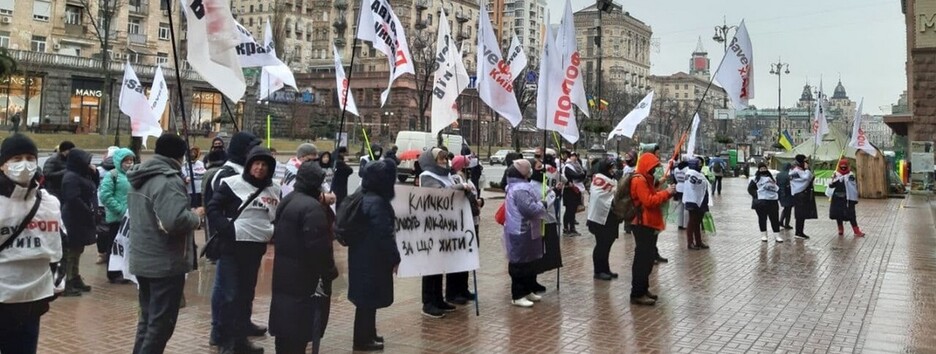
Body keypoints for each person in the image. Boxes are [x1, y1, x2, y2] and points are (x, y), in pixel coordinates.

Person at [127, 133, 204, 354]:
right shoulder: (168, 181)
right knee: (160, 325)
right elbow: (174, 221)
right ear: (180, 156)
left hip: (144, 258)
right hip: (164, 263)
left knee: (148, 320)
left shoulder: (142, 176)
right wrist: (196, 216)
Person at [208, 146, 282, 354]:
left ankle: (241, 340)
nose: (260, 168)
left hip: (255, 248)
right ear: (249, 165)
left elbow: (277, 214)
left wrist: (272, 231)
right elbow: (213, 208)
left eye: (264, 165)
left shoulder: (274, 190)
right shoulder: (232, 184)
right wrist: (226, 228)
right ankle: (226, 342)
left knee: (245, 295)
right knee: (230, 295)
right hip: (232, 247)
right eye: (256, 163)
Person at [0, 134, 63, 354]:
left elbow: (58, 244)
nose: (24, 164)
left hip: (32, 302)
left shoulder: (49, 202)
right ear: (3, 165)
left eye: (29, 157)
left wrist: (57, 280)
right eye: (16, 158)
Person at [269, 161, 337, 354]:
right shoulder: (312, 208)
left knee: (285, 331)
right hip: (306, 279)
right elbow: (319, 249)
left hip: (285, 275)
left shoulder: (289, 199)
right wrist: (330, 271)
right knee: (299, 331)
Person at [205, 132, 263, 346]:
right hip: (230, 241)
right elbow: (217, 208)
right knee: (226, 289)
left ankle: (242, 323)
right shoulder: (226, 174)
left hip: (249, 242)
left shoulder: (248, 171)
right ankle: (218, 329)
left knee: (245, 287)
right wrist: (226, 229)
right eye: (251, 148)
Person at [348, 159, 401, 351]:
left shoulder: (364, 195)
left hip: (362, 256)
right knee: (367, 302)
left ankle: (368, 333)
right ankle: (363, 339)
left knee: (366, 301)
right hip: (372, 259)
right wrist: (395, 258)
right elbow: (384, 234)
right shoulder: (377, 202)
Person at [417, 148, 471, 318]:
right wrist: (459, 187)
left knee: (440, 265)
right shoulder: (427, 176)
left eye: (444, 158)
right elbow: (439, 194)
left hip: (446, 225)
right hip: (432, 227)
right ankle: (428, 302)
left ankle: (438, 299)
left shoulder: (446, 175)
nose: (443, 161)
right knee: (431, 266)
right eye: (439, 158)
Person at [628, 152, 675, 306]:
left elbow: (652, 194)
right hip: (642, 223)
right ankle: (637, 292)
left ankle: (643, 288)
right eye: (653, 168)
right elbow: (648, 201)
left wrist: (662, 190)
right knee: (643, 259)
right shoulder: (639, 180)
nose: (655, 171)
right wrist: (666, 193)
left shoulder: (645, 179)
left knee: (647, 259)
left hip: (648, 223)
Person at [502, 159, 547, 307]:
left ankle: (527, 290)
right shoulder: (520, 188)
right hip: (520, 230)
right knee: (519, 263)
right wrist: (543, 204)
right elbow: (529, 209)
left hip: (526, 230)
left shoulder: (518, 186)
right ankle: (518, 294)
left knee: (528, 261)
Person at [60, 148, 98, 297]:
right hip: (73, 219)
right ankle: (67, 281)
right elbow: (72, 198)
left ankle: (75, 277)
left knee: (78, 250)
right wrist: (88, 211)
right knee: (71, 252)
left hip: (81, 218)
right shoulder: (71, 177)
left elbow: (94, 187)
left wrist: (94, 174)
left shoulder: (82, 174)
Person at [97, 148, 136, 283]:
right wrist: (120, 210)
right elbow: (105, 195)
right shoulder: (112, 175)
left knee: (127, 245)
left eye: (131, 160)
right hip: (117, 217)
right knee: (115, 245)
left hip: (130, 217)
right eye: (126, 160)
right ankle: (113, 273)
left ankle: (125, 271)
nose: (129, 163)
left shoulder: (133, 175)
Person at [448, 155, 482, 305]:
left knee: (468, 256)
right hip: (460, 223)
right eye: (466, 165)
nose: (469, 168)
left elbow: (474, 197)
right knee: (458, 259)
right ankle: (453, 292)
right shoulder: (455, 179)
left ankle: (463, 288)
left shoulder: (467, 180)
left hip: (473, 221)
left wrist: (479, 202)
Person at [529, 150, 563, 293]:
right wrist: (553, 193)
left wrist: (556, 191)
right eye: (538, 167)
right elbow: (542, 201)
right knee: (535, 253)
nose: (542, 169)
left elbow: (549, 195)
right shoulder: (530, 186)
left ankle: (535, 280)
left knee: (544, 253)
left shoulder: (542, 182)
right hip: (538, 224)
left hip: (549, 221)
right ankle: (529, 281)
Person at [587, 158, 620, 281]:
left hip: (610, 218)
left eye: (614, 167)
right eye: (610, 168)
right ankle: (598, 271)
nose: (613, 170)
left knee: (607, 245)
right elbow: (599, 197)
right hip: (598, 219)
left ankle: (605, 269)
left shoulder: (612, 180)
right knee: (601, 245)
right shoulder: (598, 179)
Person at [828, 158, 865, 237]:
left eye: (845, 166)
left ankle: (856, 230)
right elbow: (831, 185)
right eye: (842, 166)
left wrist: (853, 198)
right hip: (837, 198)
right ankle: (840, 229)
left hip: (848, 198)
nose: (843, 167)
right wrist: (834, 180)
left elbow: (852, 186)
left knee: (851, 215)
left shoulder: (850, 175)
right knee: (838, 214)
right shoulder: (835, 174)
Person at [748, 162, 783, 243]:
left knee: (774, 219)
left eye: (764, 168)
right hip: (761, 202)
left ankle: (777, 235)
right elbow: (750, 189)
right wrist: (756, 194)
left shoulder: (772, 178)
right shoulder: (755, 179)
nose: (763, 170)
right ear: (759, 169)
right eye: (761, 168)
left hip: (772, 201)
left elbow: (777, 188)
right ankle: (764, 235)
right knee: (762, 218)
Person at [682, 158, 710, 250]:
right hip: (693, 201)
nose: (701, 165)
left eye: (702, 163)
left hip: (700, 201)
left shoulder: (699, 174)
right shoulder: (691, 174)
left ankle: (698, 241)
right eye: (699, 163)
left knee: (697, 222)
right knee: (692, 221)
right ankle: (690, 242)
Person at [790, 154, 816, 239]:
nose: (806, 163)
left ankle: (800, 231)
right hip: (800, 194)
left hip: (801, 194)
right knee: (800, 215)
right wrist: (807, 169)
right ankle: (798, 232)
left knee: (802, 214)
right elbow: (807, 177)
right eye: (805, 161)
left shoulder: (797, 170)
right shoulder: (797, 170)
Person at [562, 152, 586, 236]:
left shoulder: (577, 166)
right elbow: (576, 176)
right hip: (569, 190)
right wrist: (581, 175)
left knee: (573, 211)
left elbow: (583, 175)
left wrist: (582, 174)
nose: (574, 158)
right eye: (572, 156)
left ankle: (572, 228)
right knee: (569, 210)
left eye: (575, 156)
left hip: (576, 190)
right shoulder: (568, 166)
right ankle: (566, 228)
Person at [776, 163, 795, 230]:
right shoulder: (789, 175)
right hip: (788, 193)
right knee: (788, 209)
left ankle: (781, 222)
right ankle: (786, 224)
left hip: (780, 193)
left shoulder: (778, 175)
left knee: (786, 208)